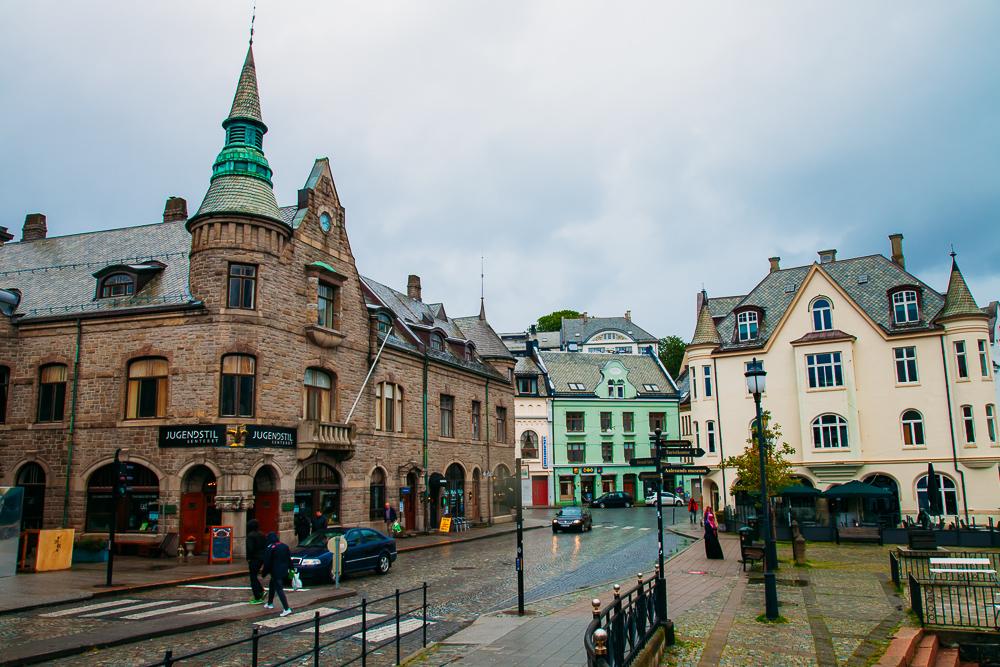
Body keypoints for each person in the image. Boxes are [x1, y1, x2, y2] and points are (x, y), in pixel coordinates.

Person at [262, 531, 293, 617]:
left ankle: (286, 608)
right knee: (272, 585)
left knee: (279, 589)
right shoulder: (284, 546)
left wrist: (264, 572)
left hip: (275, 571)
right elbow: (289, 559)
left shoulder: (270, 547)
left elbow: (267, 562)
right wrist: (292, 569)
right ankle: (270, 603)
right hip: (284, 570)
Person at [245, 519, 266, 604]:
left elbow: (250, 548)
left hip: (254, 558)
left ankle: (257, 595)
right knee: (254, 576)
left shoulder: (250, 536)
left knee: (253, 577)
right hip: (261, 557)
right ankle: (260, 591)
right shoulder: (261, 534)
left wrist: (249, 558)